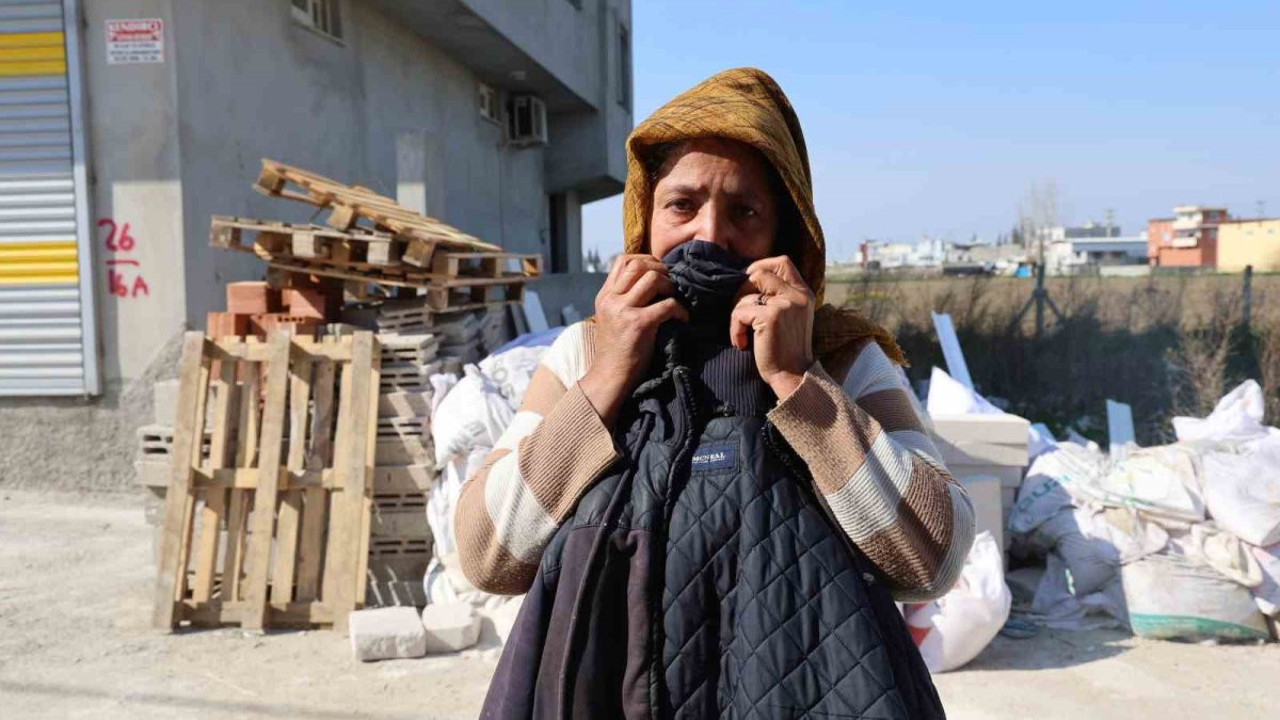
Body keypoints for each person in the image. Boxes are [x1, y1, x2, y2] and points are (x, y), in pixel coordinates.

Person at [456, 68, 974, 719]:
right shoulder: (585, 354)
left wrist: (797, 382)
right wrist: (608, 378)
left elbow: (934, 560)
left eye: (744, 212)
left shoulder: (842, 358)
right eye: (682, 205)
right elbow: (486, 554)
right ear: (645, 217)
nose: (709, 236)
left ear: (785, 233)